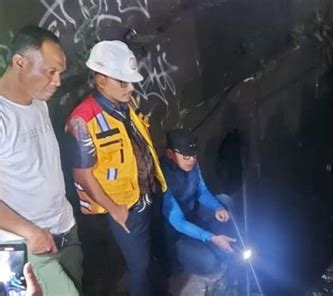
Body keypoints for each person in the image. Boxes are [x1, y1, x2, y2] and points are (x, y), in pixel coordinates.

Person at [65, 40, 167, 296]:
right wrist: (116, 210)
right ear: (100, 79)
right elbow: (82, 174)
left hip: (144, 196)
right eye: (122, 81)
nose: (131, 87)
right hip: (122, 208)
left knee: (147, 259)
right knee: (138, 266)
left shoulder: (125, 105)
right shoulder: (83, 120)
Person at [0, 26, 82, 295]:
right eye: (50, 71)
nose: (57, 81)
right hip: (30, 246)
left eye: (60, 72)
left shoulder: (39, 104)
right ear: (20, 62)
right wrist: (31, 232)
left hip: (65, 230)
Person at [161, 128, 236, 275]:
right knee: (208, 262)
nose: (192, 160)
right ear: (170, 154)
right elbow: (178, 222)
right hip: (177, 233)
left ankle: (222, 242)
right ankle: (191, 252)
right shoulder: (162, 177)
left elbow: (201, 191)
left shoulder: (192, 164)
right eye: (187, 157)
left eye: (194, 156)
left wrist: (217, 207)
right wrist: (210, 238)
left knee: (224, 201)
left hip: (193, 216)